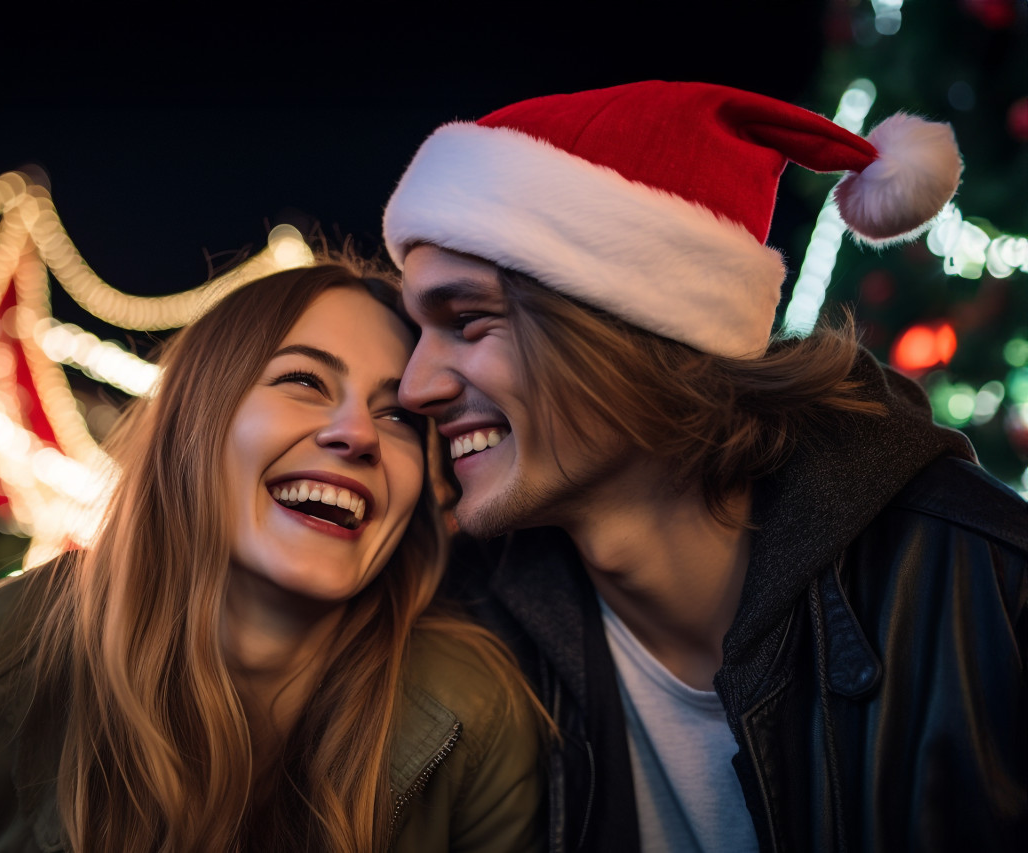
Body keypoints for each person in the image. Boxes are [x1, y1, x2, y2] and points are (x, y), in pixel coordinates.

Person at [381, 81, 1028, 853]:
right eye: (419, 330)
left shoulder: (986, 587)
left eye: (467, 320)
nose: (416, 387)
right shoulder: (464, 627)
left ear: (630, 326)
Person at [0, 259, 546, 852]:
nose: (357, 434)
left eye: (397, 415)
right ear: (192, 424)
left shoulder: (480, 714)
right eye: (303, 380)